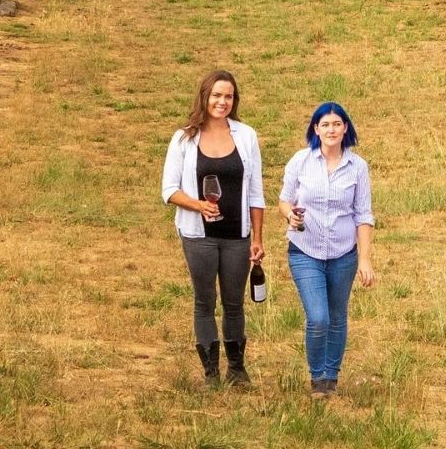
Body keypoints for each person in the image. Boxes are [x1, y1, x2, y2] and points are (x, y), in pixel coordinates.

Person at [161, 69, 265, 386]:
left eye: (228, 96)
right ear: (205, 97)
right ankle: (211, 374)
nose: (222, 101)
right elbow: (169, 190)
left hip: (238, 235)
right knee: (204, 301)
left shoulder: (246, 136)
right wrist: (199, 205)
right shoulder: (184, 138)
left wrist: (257, 238)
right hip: (198, 236)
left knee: (234, 303)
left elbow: (257, 193)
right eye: (217, 95)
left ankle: (237, 370)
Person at [278, 101, 375, 399]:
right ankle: (316, 374)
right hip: (305, 249)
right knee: (318, 317)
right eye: (325, 125)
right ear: (315, 129)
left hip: (343, 253)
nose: (331, 129)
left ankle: (329, 378)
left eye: (336, 124)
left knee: (337, 316)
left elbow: (363, 214)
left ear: (345, 128)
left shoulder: (357, 167)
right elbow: (283, 200)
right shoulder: (300, 161)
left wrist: (365, 259)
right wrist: (289, 214)